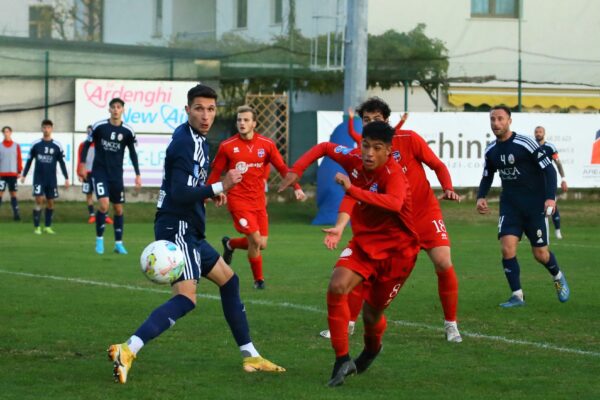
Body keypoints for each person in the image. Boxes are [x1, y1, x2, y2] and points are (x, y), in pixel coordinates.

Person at [107, 84, 284, 384]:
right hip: (178, 228)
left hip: (190, 227)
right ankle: (128, 349)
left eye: (211, 109)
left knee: (230, 281)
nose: (206, 115)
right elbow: (177, 192)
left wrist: (207, 193)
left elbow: (188, 187)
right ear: (187, 110)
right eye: (199, 108)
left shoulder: (196, 139)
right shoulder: (184, 143)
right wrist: (220, 186)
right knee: (187, 299)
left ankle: (251, 355)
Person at [279, 121, 421, 387]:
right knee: (337, 286)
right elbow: (323, 147)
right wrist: (296, 170)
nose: (368, 153)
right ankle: (342, 358)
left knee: (372, 315)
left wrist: (352, 190)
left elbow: (394, 203)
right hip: (364, 244)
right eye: (365, 145)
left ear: (388, 151)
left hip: (398, 253)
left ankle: (371, 348)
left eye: (376, 148)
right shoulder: (355, 158)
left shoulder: (394, 174)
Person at [319, 98, 462, 343]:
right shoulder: (364, 153)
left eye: (376, 119)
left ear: (387, 121)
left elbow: (436, 165)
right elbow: (354, 192)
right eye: (366, 120)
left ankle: (451, 324)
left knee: (443, 262)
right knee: (364, 268)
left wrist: (448, 187)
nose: (371, 124)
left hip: (424, 214)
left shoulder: (409, 139)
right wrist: (341, 225)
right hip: (392, 224)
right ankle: (349, 323)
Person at [476, 106, 570, 307]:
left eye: (500, 119)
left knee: (540, 254)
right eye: (493, 119)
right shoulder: (491, 150)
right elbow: (487, 175)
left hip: (534, 206)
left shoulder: (525, 143)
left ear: (509, 121)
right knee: (507, 248)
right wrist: (480, 196)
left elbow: (549, 170)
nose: (496, 123)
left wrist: (550, 198)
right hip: (510, 206)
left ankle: (557, 275)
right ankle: (517, 295)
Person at [207, 105, 306, 289]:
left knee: (262, 244)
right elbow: (215, 174)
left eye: (245, 120)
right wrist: (206, 195)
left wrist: (297, 187)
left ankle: (229, 244)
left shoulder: (266, 145)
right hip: (238, 200)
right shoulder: (227, 146)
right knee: (255, 240)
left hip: (259, 201)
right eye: (239, 120)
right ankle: (258, 281)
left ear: (254, 123)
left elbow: (283, 168)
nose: (242, 123)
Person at [78, 98, 141, 255]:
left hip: (116, 175)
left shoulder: (128, 131)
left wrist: (138, 174)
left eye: (118, 107)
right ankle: (99, 241)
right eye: (113, 107)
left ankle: (118, 244)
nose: (115, 110)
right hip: (100, 172)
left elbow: (133, 153)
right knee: (104, 205)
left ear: (123, 110)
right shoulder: (99, 126)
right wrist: (82, 164)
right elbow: (86, 145)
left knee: (118, 209)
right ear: (109, 110)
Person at [21, 120, 70, 234]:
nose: (46, 130)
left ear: (52, 129)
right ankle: (37, 227)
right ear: (42, 129)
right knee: (39, 200)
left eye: (48, 127)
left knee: (50, 202)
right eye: (44, 127)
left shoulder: (57, 146)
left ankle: (47, 226)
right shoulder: (36, 144)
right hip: (38, 178)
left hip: (51, 179)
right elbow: (29, 161)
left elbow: (61, 162)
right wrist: (24, 175)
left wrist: (66, 178)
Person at [534, 126, 567, 239]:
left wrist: (563, 179)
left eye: (540, 132)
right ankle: (532, 230)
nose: (538, 134)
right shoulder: (531, 147)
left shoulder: (550, 147)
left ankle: (557, 231)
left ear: (544, 133)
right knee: (533, 206)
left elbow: (558, 163)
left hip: (548, 181)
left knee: (552, 206)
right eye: (536, 132)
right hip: (534, 182)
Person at [77, 125, 114, 225]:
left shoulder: (100, 144)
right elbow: (80, 159)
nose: (90, 133)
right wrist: (79, 172)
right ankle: (92, 215)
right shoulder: (83, 145)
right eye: (88, 131)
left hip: (99, 173)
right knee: (89, 194)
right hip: (87, 173)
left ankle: (105, 215)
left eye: (91, 131)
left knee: (103, 195)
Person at [0, 126, 23, 221]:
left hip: (12, 174)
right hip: (2, 174)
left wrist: (19, 170)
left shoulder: (16, 146)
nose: (6, 133)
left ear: (11, 133)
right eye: (4, 132)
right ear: (2, 133)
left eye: (8, 131)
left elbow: (19, 159)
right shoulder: (0, 146)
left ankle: (16, 214)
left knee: (13, 194)